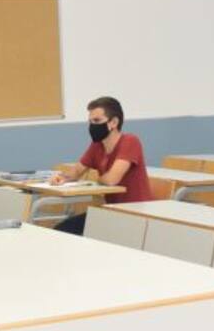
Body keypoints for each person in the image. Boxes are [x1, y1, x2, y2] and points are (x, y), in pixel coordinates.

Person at [52, 96, 152, 236]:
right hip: (112, 211)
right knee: (61, 230)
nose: (92, 126)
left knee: (72, 232)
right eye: (90, 121)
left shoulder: (130, 141)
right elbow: (76, 171)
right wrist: (62, 177)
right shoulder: (97, 145)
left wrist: (98, 179)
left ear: (114, 122)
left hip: (135, 213)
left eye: (97, 121)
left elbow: (111, 180)